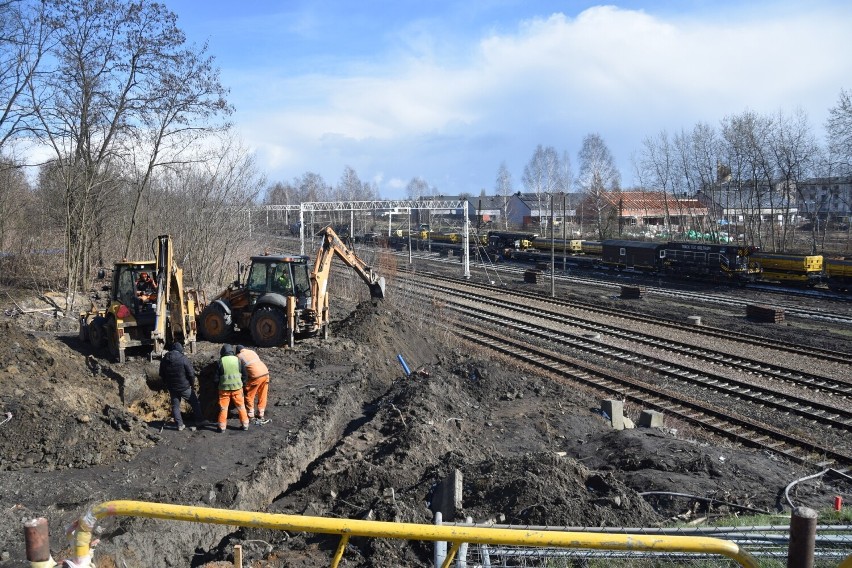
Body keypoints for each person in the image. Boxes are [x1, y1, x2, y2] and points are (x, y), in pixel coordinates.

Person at [158, 342, 206, 431]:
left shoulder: (164, 359)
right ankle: (199, 421)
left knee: (175, 406)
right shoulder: (183, 359)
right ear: (180, 349)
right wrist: (191, 383)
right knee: (194, 402)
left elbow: (161, 374)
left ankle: (179, 425)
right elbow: (191, 373)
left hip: (172, 387)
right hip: (184, 387)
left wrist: (167, 384)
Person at [217, 344, 249, 432]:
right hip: (237, 388)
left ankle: (222, 427)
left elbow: (216, 378)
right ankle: (245, 424)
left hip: (224, 389)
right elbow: (245, 374)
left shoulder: (220, 361)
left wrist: (217, 385)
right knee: (241, 407)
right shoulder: (238, 360)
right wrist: (243, 383)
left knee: (224, 408)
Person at [235, 345, 270, 424]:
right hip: (266, 373)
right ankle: (261, 413)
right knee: (263, 394)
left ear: (237, 352)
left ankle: (251, 415)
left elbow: (239, 371)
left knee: (249, 394)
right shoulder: (252, 352)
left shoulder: (238, 356)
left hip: (256, 376)